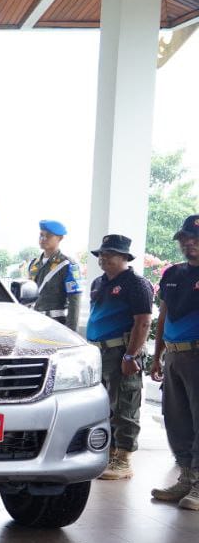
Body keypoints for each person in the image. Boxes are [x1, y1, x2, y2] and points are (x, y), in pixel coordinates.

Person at [86, 234, 152, 480]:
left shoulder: (136, 284)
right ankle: (109, 452)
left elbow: (143, 322)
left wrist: (130, 355)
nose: (103, 258)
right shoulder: (98, 283)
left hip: (121, 352)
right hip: (99, 351)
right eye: (102, 254)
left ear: (124, 257)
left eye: (110, 254)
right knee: (103, 407)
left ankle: (123, 459)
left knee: (125, 404)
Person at [150, 215, 199, 510]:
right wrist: (157, 355)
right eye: (185, 239)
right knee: (176, 419)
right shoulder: (172, 274)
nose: (189, 243)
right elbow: (163, 315)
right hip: (174, 354)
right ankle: (186, 477)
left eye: (195, 239)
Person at [27, 220, 83, 330]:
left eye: (48, 236)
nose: (43, 238)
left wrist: (71, 332)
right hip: (33, 323)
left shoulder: (67, 265)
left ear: (60, 238)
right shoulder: (34, 264)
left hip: (55, 325)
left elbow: (74, 302)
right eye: (41, 235)